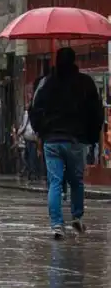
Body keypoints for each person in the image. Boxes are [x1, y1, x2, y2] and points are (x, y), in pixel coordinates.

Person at [29, 47, 102, 239]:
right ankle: (77, 217)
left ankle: (56, 224)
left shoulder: (47, 83)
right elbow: (96, 112)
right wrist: (92, 137)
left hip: (52, 140)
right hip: (76, 140)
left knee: (55, 182)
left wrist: (41, 132)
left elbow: (34, 109)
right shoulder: (85, 83)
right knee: (76, 181)